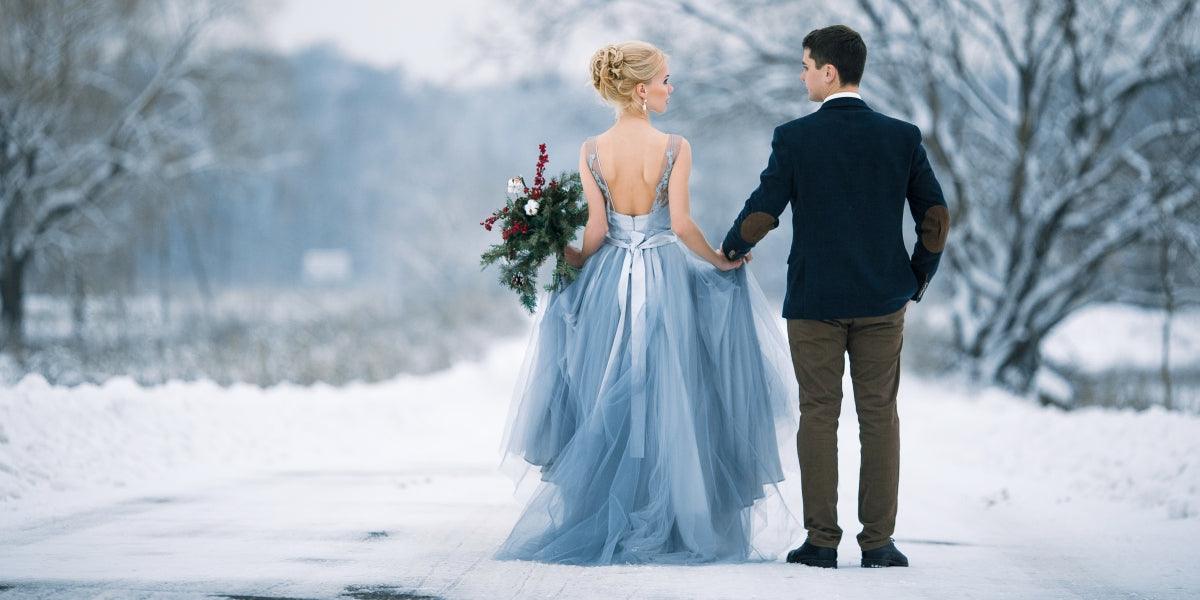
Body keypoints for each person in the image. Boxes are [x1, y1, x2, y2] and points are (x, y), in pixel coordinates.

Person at [494, 40, 799, 565]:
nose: (669, 88)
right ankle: (676, 517)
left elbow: (592, 238)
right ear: (640, 89)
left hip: (610, 280)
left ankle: (613, 509)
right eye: (664, 80)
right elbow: (680, 225)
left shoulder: (591, 149)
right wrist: (719, 262)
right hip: (664, 276)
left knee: (609, 390)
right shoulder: (676, 146)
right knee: (675, 393)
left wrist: (551, 243)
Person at [720, 24, 950, 569]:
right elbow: (935, 217)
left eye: (805, 66)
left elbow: (764, 210)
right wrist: (916, 278)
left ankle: (821, 542)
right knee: (880, 417)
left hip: (815, 302)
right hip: (882, 301)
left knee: (818, 415)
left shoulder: (795, 138)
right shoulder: (902, 136)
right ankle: (879, 544)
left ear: (828, 71)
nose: (801, 76)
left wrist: (732, 246)